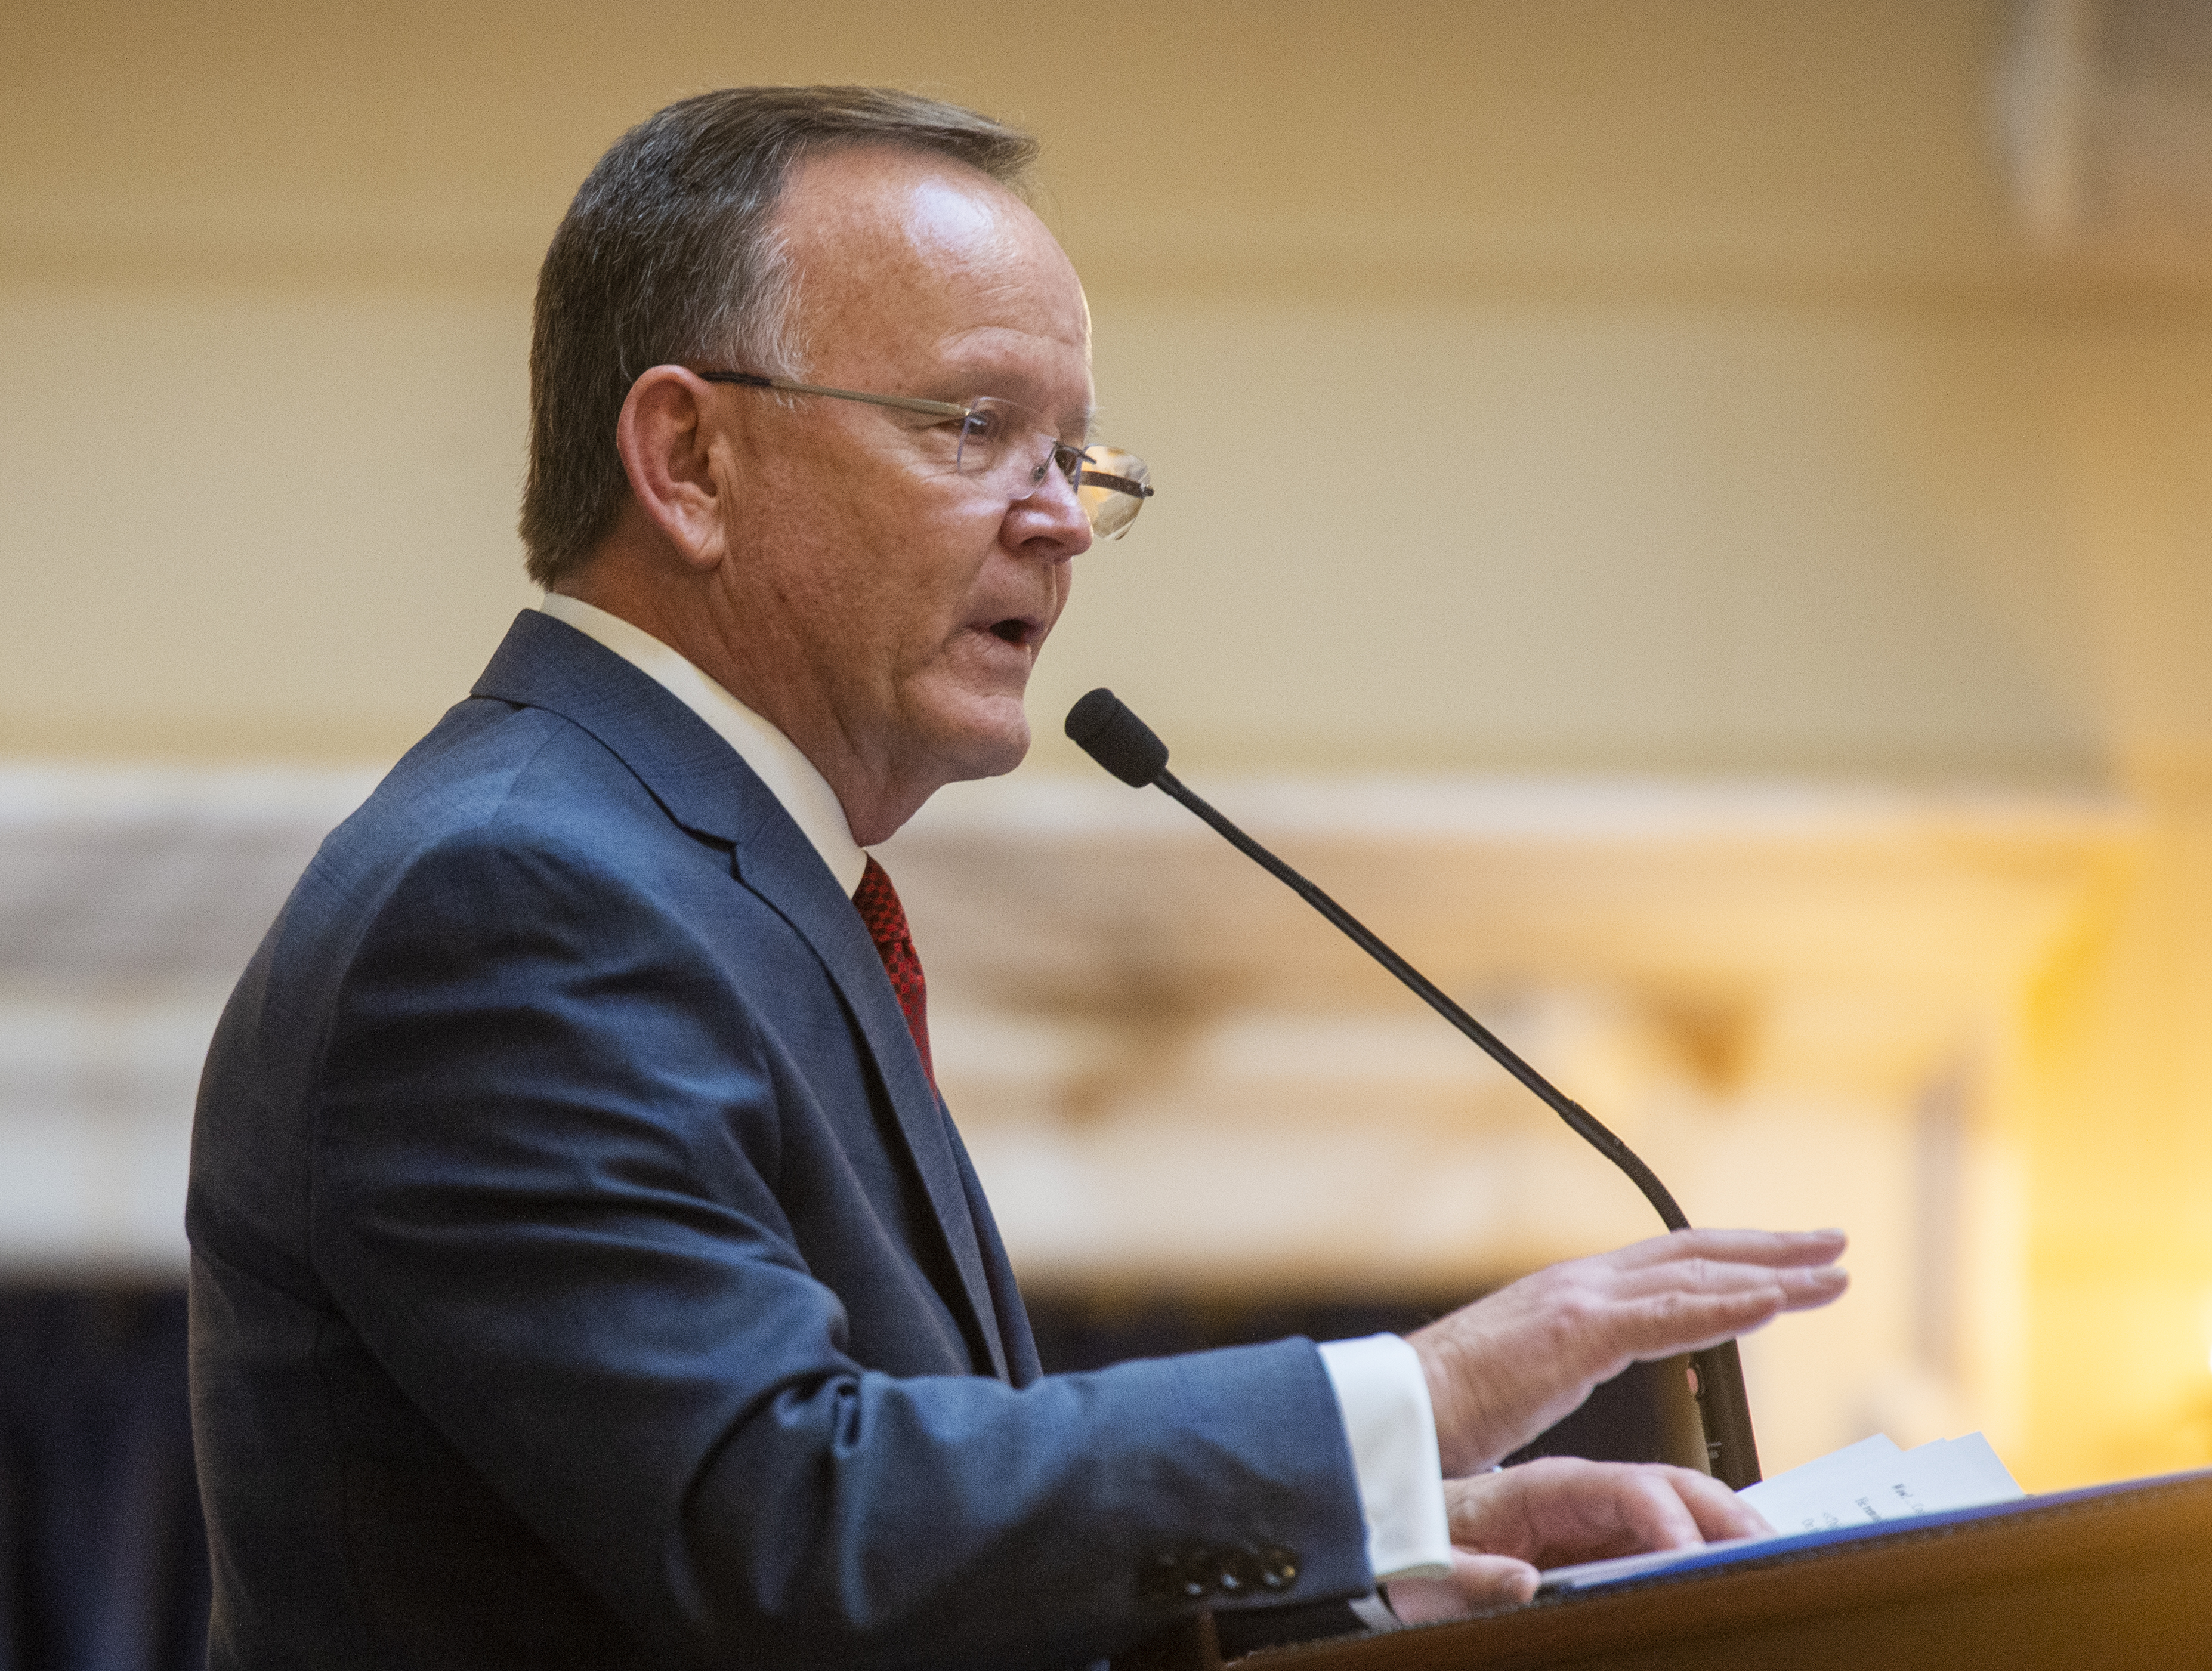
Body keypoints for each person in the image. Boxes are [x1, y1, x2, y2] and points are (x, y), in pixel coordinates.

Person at [186, 86, 1848, 1670]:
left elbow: (893, 1578)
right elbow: (789, 1527)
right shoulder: (514, 896)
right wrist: (1411, 1396)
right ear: (687, 459)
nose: (1057, 520)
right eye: (976, 427)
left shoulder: (701, 877)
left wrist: (1367, 1559)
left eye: (1079, 461)